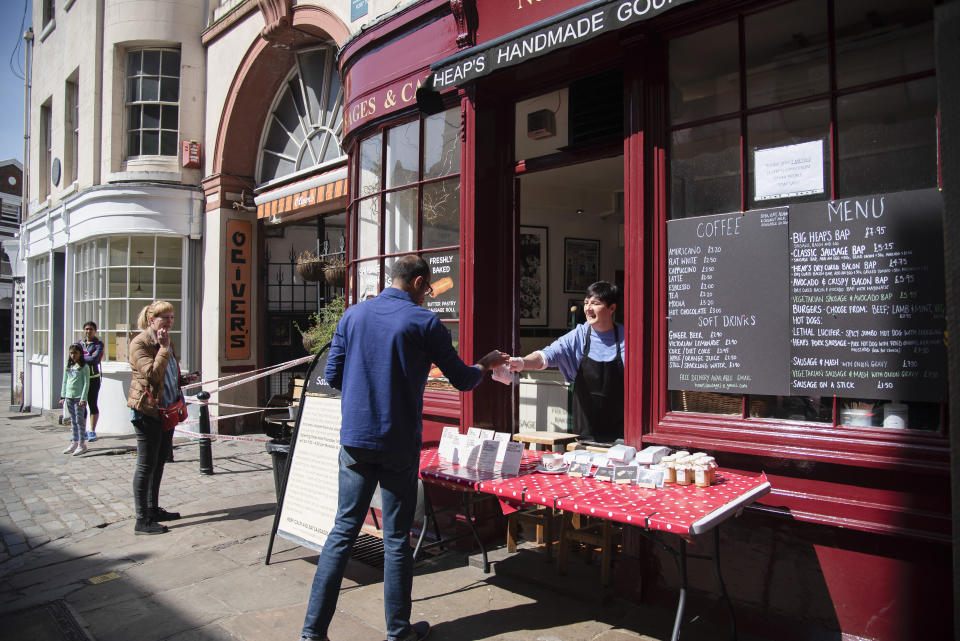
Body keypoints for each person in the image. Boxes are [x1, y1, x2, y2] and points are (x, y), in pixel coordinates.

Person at [300, 255, 508, 641]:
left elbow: (333, 376)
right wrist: (486, 364)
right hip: (397, 441)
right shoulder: (424, 322)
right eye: (427, 289)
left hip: (356, 440)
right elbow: (463, 380)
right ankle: (398, 632)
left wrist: (368, 387)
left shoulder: (353, 316)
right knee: (397, 539)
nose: (428, 296)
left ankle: (312, 633)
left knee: (343, 531)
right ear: (417, 283)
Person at [508, 280, 625, 444]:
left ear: (612, 308)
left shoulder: (627, 338)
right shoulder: (578, 336)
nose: (588, 308)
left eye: (595, 303)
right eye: (586, 303)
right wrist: (521, 362)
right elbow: (546, 355)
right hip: (586, 435)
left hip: (622, 435)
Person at [126, 301, 193, 535]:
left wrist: (182, 380)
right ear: (151, 319)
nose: (169, 321)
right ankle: (141, 519)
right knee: (146, 465)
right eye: (164, 316)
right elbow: (152, 374)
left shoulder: (167, 343)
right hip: (147, 411)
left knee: (160, 460)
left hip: (166, 411)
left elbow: (167, 375)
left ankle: (153, 509)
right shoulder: (140, 343)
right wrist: (164, 349)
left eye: (172, 317)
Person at [60, 343, 90, 456]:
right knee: (73, 421)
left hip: (79, 398)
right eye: (71, 353)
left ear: (80, 354)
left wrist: (83, 398)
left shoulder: (84, 367)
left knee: (79, 421)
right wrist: (63, 396)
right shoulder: (69, 366)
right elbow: (64, 381)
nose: (73, 355)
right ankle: (74, 441)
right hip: (69, 397)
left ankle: (82, 444)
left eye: (75, 353)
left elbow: (86, 384)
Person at [80, 321, 104, 442]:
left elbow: (95, 359)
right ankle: (82, 430)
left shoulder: (99, 344)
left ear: (95, 331)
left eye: (91, 329)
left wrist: (82, 357)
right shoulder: (80, 344)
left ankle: (92, 431)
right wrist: (87, 355)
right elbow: (74, 357)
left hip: (93, 378)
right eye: (87, 329)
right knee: (82, 404)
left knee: (92, 404)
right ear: (84, 330)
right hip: (81, 379)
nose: (88, 331)